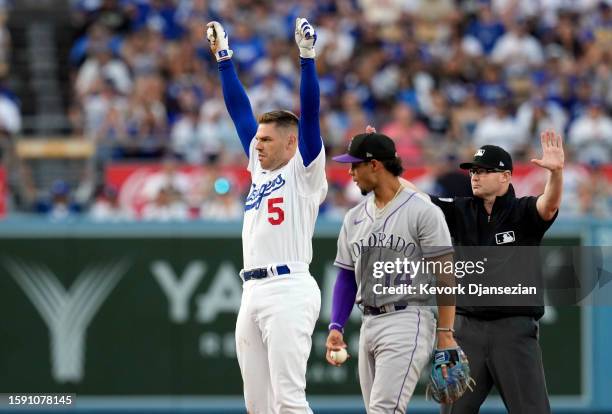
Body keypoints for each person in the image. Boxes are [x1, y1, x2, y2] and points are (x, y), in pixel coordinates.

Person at [206, 18, 326, 413]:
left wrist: (306, 58)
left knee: (289, 400)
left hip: (288, 287)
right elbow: (239, 111)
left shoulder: (303, 169)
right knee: (257, 405)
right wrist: (224, 59)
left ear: (291, 143)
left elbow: (309, 115)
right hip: (252, 291)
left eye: (267, 140)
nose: (257, 146)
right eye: (257, 140)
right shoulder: (260, 167)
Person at [325, 131, 463, 413]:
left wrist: (446, 333)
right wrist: (336, 326)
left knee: (383, 410)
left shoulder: (422, 211)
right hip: (368, 324)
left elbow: (445, 275)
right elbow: (346, 277)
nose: (350, 172)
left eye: (355, 165)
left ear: (375, 165)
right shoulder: (354, 218)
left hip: (408, 318)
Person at [432, 129, 564, 413]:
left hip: (514, 330)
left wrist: (556, 174)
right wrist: (385, 164)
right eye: (473, 171)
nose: (475, 176)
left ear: (505, 176)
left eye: (484, 171)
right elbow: (416, 198)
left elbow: (549, 203)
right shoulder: (460, 209)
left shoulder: (523, 211)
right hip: (466, 331)